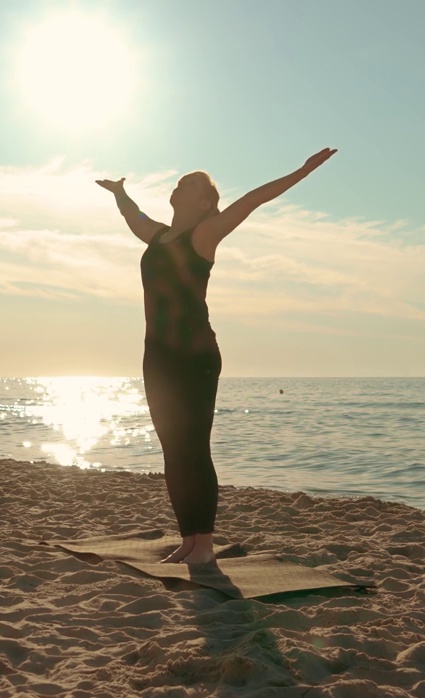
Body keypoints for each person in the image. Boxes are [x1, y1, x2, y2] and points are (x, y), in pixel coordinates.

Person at [97, 148, 337, 564]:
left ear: (205, 203)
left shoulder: (204, 235)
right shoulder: (158, 236)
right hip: (157, 354)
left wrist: (301, 171)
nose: (180, 184)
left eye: (191, 184)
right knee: (173, 449)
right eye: (181, 181)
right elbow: (132, 216)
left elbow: (253, 200)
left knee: (194, 447)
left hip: (195, 354)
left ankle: (204, 545)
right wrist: (119, 192)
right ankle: (188, 539)